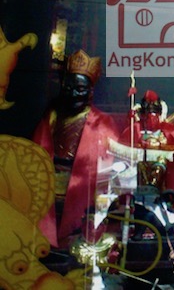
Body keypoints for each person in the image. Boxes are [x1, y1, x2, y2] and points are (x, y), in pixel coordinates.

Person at [33, 49, 119, 249]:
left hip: (82, 190)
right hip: (50, 184)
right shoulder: (52, 116)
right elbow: (37, 150)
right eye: (68, 87)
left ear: (90, 91)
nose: (73, 93)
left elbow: (110, 167)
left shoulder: (103, 122)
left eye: (80, 88)